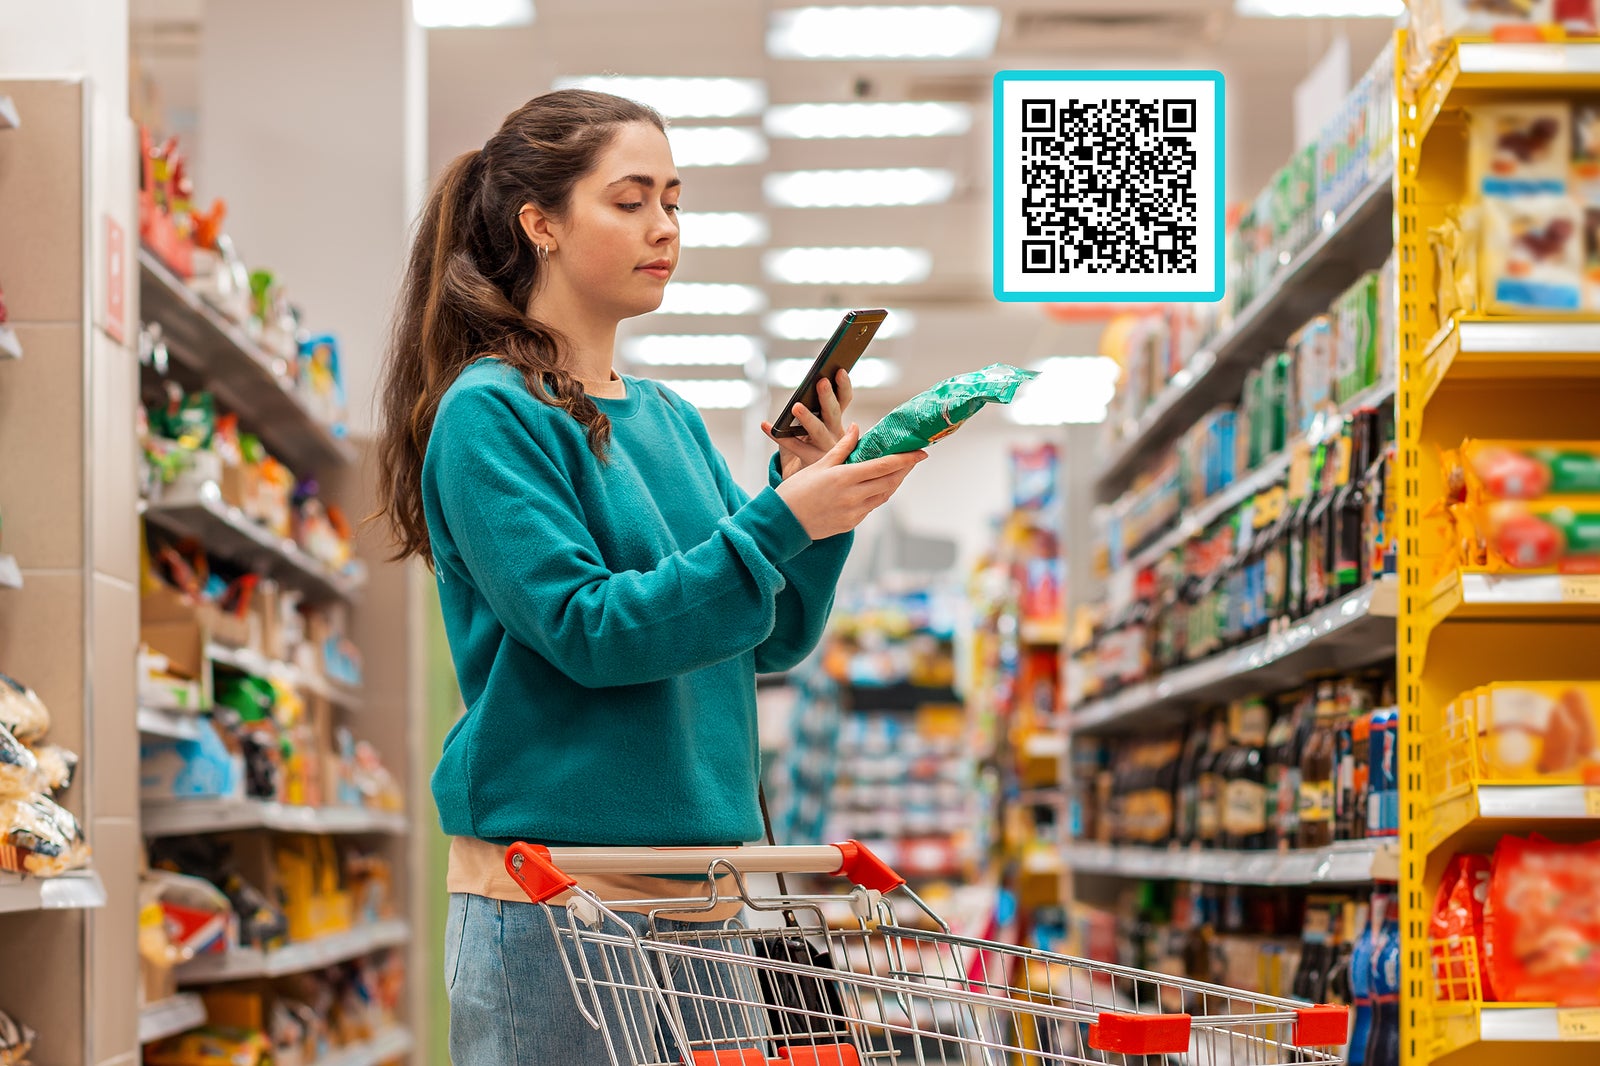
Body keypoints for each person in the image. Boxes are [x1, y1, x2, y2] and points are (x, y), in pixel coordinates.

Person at [374, 89, 926, 1064]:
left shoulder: (668, 417)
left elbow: (770, 635)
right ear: (537, 223)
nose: (663, 226)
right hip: (559, 905)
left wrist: (810, 507)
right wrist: (773, 525)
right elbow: (593, 631)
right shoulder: (490, 416)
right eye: (629, 200)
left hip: (710, 899)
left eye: (673, 200)